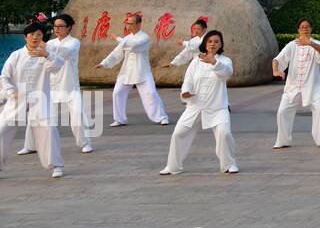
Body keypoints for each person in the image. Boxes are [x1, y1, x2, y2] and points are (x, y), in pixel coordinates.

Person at [160, 30, 237, 175]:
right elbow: (188, 80)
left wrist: (213, 61)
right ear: (205, 44)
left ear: (221, 44)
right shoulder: (196, 62)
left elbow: (226, 73)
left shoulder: (225, 61)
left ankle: (229, 164)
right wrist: (185, 92)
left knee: (224, 134)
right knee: (178, 134)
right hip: (195, 106)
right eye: (210, 41)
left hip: (217, 107)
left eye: (216, 41)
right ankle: (173, 166)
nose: (213, 44)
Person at [18, 12, 92, 156]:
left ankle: (85, 143)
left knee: (78, 114)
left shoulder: (74, 42)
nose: (56, 29)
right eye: (55, 26)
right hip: (50, 86)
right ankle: (30, 145)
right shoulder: (50, 43)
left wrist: (46, 49)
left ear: (69, 27)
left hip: (69, 86)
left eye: (60, 26)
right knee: (35, 114)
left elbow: (64, 53)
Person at [1, 20, 66, 177]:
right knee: (1, 130)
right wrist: (11, 92)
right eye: (31, 34)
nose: (35, 37)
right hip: (17, 101)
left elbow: (59, 65)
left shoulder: (47, 55)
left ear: (43, 37)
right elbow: (4, 77)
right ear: (25, 37)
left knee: (49, 130)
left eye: (39, 35)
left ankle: (56, 165)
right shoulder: (16, 55)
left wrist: (47, 54)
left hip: (40, 101)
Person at [271, 18, 320, 149]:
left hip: (313, 87)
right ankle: (283, 141)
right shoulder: (291, 45)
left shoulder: (317, 43)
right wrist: (276, 70)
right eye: (302, 27)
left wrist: (309, 43)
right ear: (298, 30)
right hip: (293, 87)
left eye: (307, 26)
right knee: (282, 112)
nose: (304, 28)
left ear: (311, 29)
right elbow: (278, 59)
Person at [98, 12, 170, 127]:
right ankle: (120, 119)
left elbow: (134, 46)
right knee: (117, 92)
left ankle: (162, 117)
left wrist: (117, 38)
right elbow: (117, 53)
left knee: (151, 93)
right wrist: (104, 63)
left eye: (130, 23)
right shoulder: (127, 38)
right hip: (127, 71)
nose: (128, 26)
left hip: (142, 71)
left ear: (138, 24)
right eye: (127, 23)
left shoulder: (144, 38)